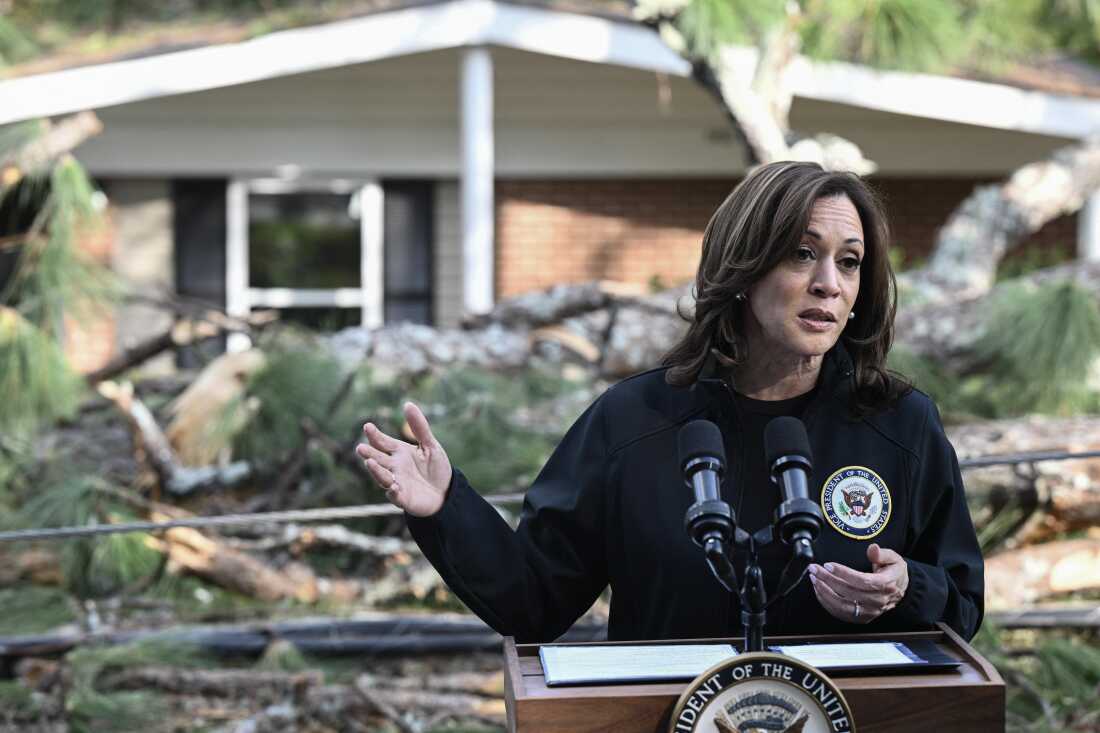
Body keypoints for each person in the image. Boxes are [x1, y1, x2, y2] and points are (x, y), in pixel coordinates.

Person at [355, 161, 984, 644]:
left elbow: (962, 598)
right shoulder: (635, 420)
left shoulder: (899, 424)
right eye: (801, 253)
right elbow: (533, 599)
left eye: (849, 263)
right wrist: (445, 507)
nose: (829, 283)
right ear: (744, 267)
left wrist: (907, 587)